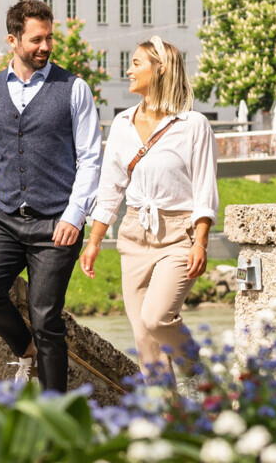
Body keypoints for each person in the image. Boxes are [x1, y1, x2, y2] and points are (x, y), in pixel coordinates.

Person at [0, 0, 103, 392]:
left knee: (46, 320)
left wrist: (75, 215)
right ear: (13, 40)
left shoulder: (74, 89)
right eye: (37, 39)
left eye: (49, 38)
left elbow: (91, 159)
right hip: (4, 217)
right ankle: (25, 350)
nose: (46, 46)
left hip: (56, 222)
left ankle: (56, 414)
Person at [79, 36, 217, 381]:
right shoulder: (122, 124)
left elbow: (205, 189)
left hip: (179, 236)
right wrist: (94, 241)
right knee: (144, 338)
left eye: (136, 63)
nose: (129, 70)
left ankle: (199, 375)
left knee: (156, 318)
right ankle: (166, 409)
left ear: (161, 69)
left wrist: (200, 241)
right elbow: (111, 187)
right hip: (134, 234)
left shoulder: (193, 125)